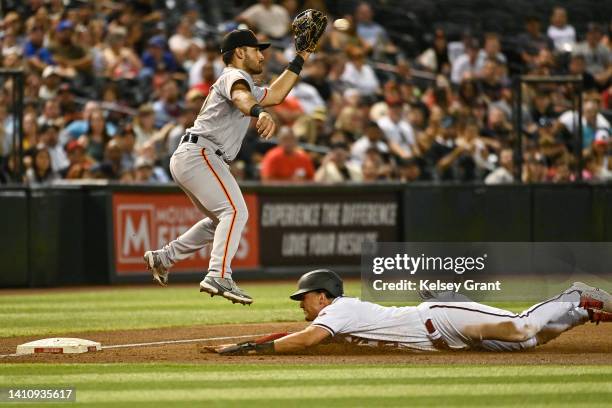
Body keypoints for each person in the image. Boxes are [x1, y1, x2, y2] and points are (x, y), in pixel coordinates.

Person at [144, 29, 317, 305]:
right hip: (201, 153)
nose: (261, 55)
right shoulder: (234, 77)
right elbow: (242, 99)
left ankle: (165, 257)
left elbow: (275, 94)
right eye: (256, 50)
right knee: (235, 211)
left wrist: (301, 57)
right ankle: (218, 274)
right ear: (239, 52)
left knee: (220, 221)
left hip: (196, 155)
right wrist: (259, 112)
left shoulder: (244, 82)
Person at [216, 269, 612, 355]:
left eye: (303, 297)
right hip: (447, 340)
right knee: (531, 342)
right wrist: (248, 343)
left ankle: (574, 296)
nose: (300, 303)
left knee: (522, 329)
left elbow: (307, 338)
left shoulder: (338, 311)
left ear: (322, 296)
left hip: (439, 319)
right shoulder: (333, 314)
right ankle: (579, 312)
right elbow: (294, 334)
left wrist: (254, 350)